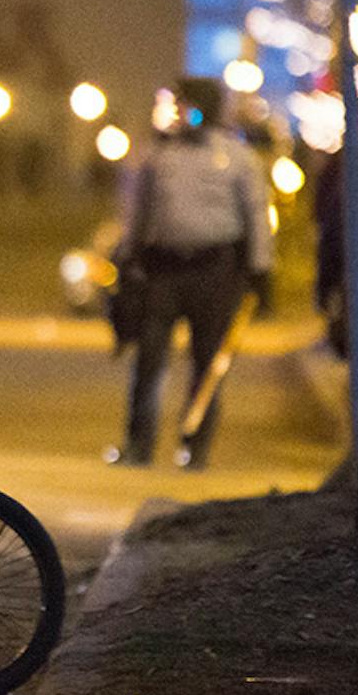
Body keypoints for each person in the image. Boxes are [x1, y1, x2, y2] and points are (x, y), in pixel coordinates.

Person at [110, 77, 272, 470]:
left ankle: (194, 447)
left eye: (190, 106)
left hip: (215, 271)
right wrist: (129, 259)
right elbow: (138, 213)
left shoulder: (237, 157)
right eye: (179, 106)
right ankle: (138, 444)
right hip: (163, 269)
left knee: (207, 362)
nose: (183, 114)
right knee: (149, 358)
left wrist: (261, 270)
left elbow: (255, 215)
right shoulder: (157, 156)